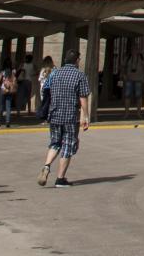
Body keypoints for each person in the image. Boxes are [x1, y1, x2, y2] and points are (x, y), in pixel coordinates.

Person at [38, 50, 92, 189]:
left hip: (54, 114)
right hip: (70, 116)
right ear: (77, 61)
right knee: (67, 145)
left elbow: (46, 91)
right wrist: (86, 116)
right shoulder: (80, 75)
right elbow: (83, 98)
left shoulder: (55, 73)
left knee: (55, 143)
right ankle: (60, 179)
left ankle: (46, 165)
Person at [122, 47, 144, 114]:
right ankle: (126, 113)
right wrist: (123, 75)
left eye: (136, 50)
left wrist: (143, 55)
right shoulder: (128, 57)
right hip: (129, 79)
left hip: (139, 79)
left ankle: (138, 113)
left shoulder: (141, 57)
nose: (134, 51)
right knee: (127, 96)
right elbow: (123, 66)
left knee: (139, 96)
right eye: (133, 50)